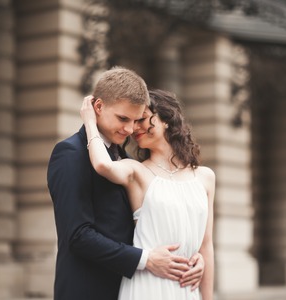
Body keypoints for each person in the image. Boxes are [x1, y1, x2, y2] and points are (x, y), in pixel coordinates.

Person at [47, 67, 204, 300]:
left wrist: (191, 256)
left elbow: (148, 225)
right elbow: (78, 235)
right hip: (89, 291)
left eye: (135, 120)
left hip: (133, 289)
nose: (130, 129)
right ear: (97, 107)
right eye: (123, 119)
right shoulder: (69, 153)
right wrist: (145, 259)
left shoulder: (128, 161)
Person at [80, 89, 215, 300]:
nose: (134, 128)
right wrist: (90, 123)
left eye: (141, 119)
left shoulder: (205, 177)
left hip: (187, 288)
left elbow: (206, 245)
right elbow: (102, 164)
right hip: (147, 285)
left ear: (167, 120)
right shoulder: (136, 171)